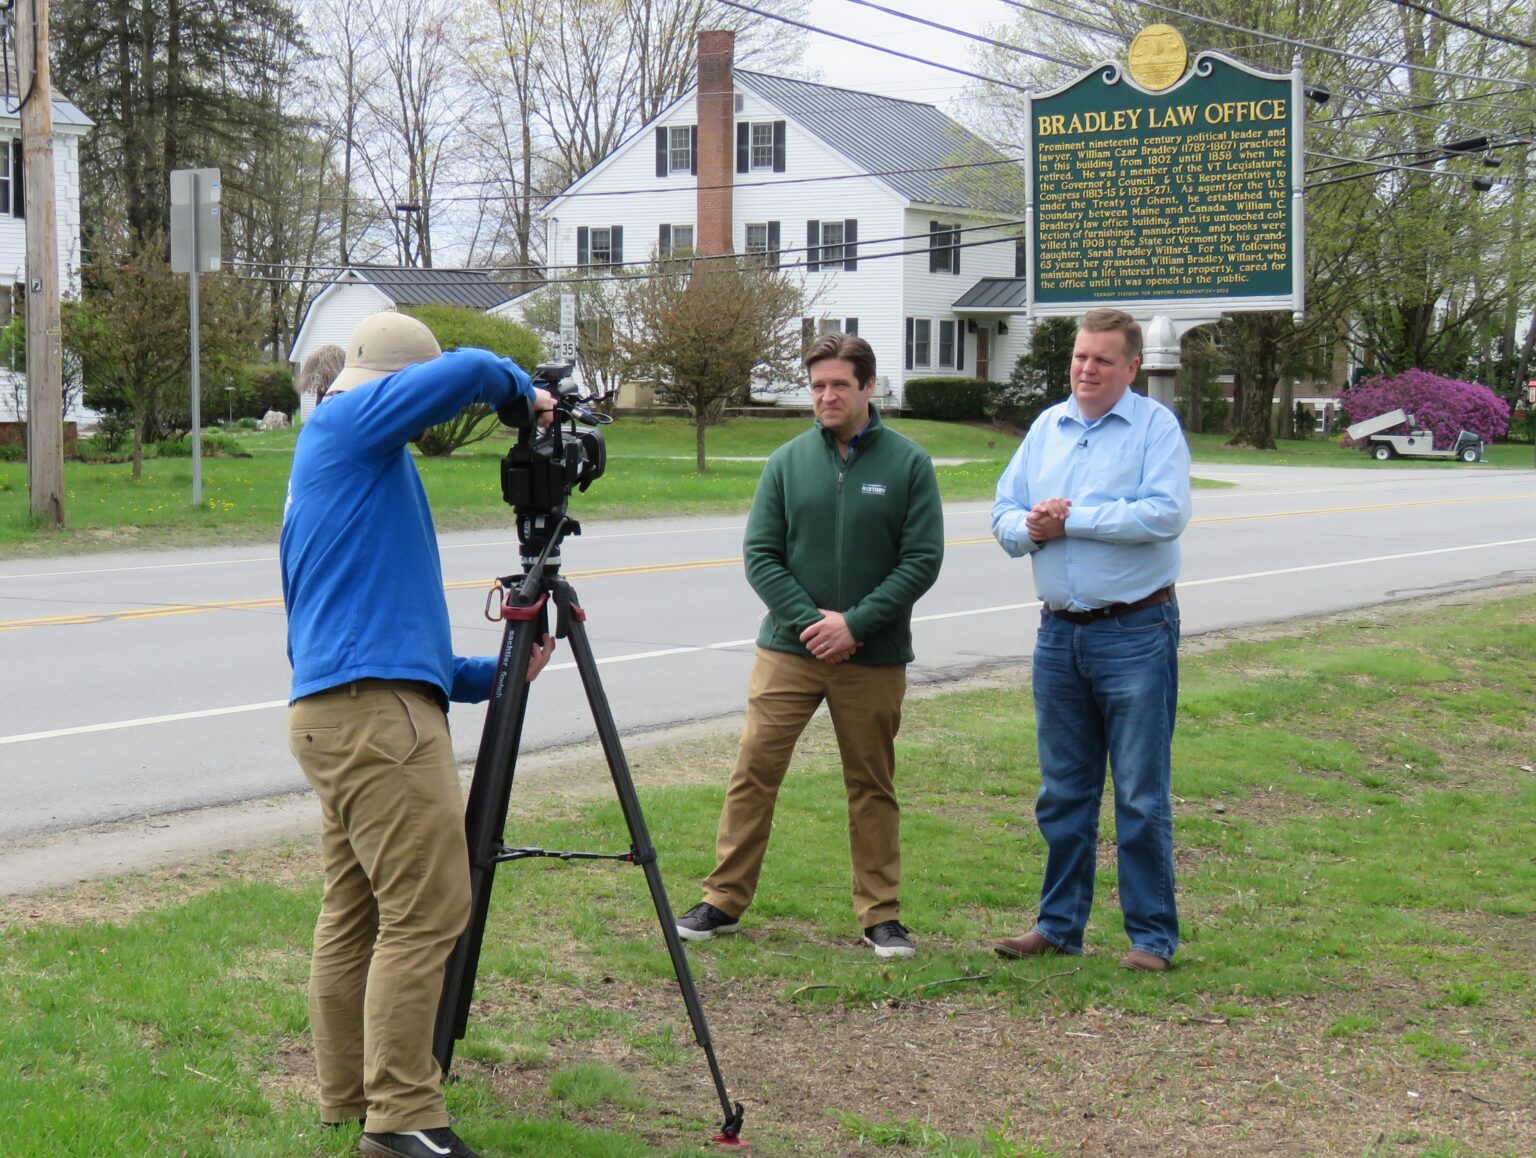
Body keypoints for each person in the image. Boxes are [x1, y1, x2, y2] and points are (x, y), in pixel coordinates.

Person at [281, 311, 555, 1158]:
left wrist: (491, 673)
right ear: (392, 390)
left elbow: (377, 619)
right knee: (428, 909)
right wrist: (524, 394)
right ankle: (402, 1116)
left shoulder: (354, 466)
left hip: (341, 709)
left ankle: (350, 1095)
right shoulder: (346, 426)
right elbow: (471, 366)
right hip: (375, 719)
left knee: (357, 909)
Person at [675, 332, 944, 959]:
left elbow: (922, 560)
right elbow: (761, 557)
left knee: (870, 784)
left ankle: (881, 915)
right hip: (789, 652)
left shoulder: (908, 464)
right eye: (818, 385)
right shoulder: (787, 462)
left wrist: (855, 624)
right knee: (754, 771)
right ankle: (722, 900)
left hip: (871, 656)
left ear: (868, 387)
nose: (826, 396)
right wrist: (809, 624)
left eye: (839, 385)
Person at [989, 308, 1191, 973]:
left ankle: (1151, 938)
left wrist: (1074, 520)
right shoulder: (1047, 427)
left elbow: (1164, 513)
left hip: (1136, 631)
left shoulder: (1155, 428)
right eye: (1079, 357)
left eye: (1102, 360)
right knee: (1064, 793)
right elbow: (1004, 513)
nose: (1086, 369)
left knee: (1138, 792)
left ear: (1131, 368)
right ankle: (1059, 925)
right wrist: (1035, 530)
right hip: (1060, 637)